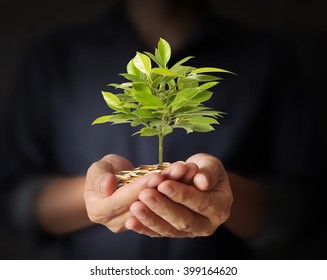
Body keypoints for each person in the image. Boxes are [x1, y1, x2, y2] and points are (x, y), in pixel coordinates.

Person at [0, 0, 315, 259]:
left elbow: (302, 208)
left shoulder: (268, 57)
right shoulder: (54, 56)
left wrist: (222, 196)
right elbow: (14, 201)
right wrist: (100, 193)